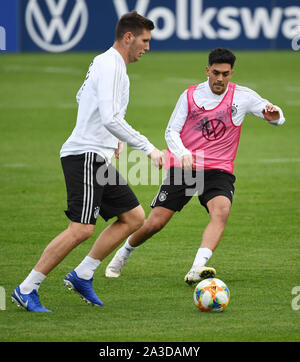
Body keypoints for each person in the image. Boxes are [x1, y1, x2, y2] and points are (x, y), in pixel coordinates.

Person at [11, 11, 164, 312]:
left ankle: (82, 274)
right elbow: (108, 116)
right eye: (145, 40)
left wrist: (113, 138)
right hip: (84, 155)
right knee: (81, 229)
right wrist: (147, 148)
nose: (148, 47)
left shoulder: (106, 62)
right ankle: (26, 288)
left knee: (133, 218)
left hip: (98, 153)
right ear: (128, 37)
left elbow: (84, 97)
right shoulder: (111, 65)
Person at [105, 48, 286, 284]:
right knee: (155, 222)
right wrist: (183, 153)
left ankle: (197, 268)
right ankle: (124, 253)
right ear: (207, 70)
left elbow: (276, 116)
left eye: (226, 74)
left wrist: (276, 116)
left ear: (231, 73)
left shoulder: (243, 96)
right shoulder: (190, 95)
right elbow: (171, 131)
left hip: (219, 169)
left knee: (221, 211)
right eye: (216, 73)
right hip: (186, 165)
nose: (220, 79)